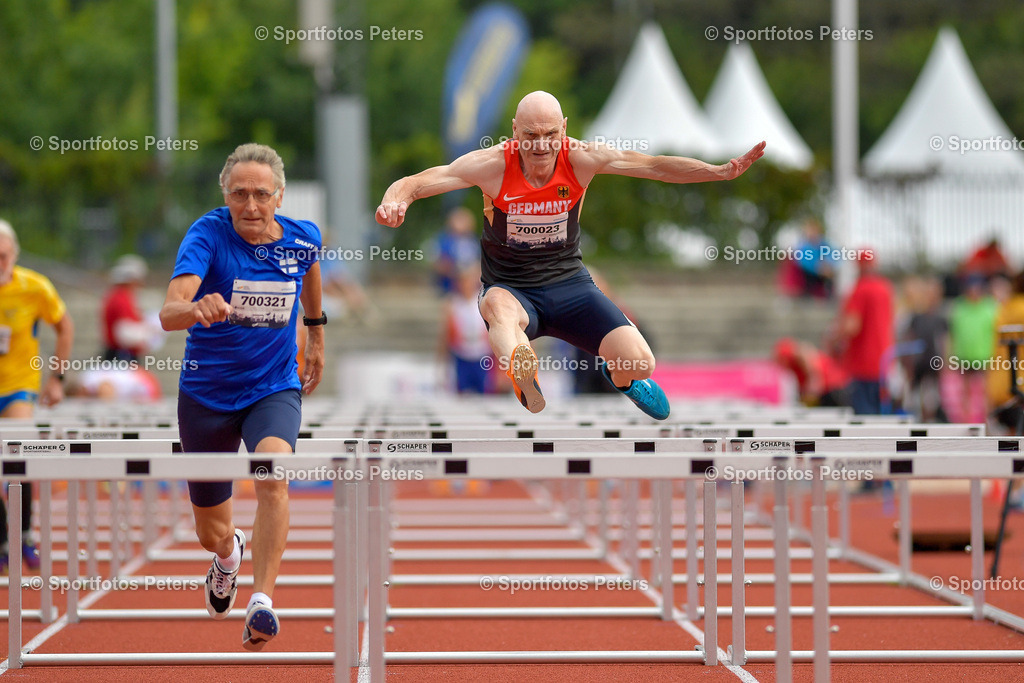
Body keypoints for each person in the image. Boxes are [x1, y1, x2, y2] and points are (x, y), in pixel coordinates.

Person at [376, 91, 765, 419]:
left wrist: (718, 172)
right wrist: (395, 202)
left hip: (570, 286)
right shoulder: (492, 165)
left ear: (563, 128)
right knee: (497, 308)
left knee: (641, 362)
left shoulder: (582, 158)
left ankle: (623, 379)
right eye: (531, 135)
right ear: (514, 130)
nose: (541, 146)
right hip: (512, 288)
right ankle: (523, 370)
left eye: (550, 134)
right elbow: (418, 182)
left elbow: (655, 167)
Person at [160, 143, 325, 651]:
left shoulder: (302, 238)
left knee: (273, 474)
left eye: (260, 194)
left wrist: (317, 332)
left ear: (279, 196)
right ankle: (228, 555)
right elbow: (168, 312)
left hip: (272, 387)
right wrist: (196, 307)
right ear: (225, 195)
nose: (250, 205)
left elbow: (310, 270)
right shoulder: (207, 235)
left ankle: (262, 601)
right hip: (206, 396)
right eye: (239, 195)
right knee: (210, 531)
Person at [0, 219, 74, 574]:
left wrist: (56, 379)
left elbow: (64, 327)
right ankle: (3, 542)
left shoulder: (34, 286)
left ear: (14, 254)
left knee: (18, 456)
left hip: (18, 386)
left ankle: (25, 535)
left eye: (3, 256)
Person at [829, 249, 894, 414]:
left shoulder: (860, 289)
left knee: (864, 419)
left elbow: (852, 326)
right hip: (883, 362)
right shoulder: (886, 288)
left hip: (862, 365)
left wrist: (833, 339)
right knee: (881, 417)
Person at [945, 274, 998, 424]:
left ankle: (988, 421)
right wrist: (950, 354)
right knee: (965, 391)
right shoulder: (959, 307)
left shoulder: (990, 307)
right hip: (964, 355)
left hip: (985, 355)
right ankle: (966, 421)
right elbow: (952, 333)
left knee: (987, 391)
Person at [440, 264, 494, 394]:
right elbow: (446, 334)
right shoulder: (453, 304)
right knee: (461, 393)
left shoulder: (483, 301)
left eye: (469, 281)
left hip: (482, 356)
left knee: (485, 392)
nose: (466, 285)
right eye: (463, 281)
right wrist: (442, 361)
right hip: (461, 355)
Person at [101, 254, 155, 361]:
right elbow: (124, 332)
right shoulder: (121, 298)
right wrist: (149, 332)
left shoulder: (118, 296)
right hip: (121, 355)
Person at [773, 337, 851, 408]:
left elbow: (815, 379)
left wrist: (809, 397)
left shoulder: (801, 356)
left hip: (832, 389)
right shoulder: (792, 364)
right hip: (825, 390)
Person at [432, 206, 481, 295]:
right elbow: (439, 264)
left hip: (473, 289)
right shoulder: (444, 240)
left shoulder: (474, 241)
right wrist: (458, 273)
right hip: (450, 288)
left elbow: (480, 262)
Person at [792, 218, 837, 299]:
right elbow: (802, 262)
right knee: (808, 277)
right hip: (809, 272)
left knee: (830, 274)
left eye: (814, 231)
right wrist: (817, 268)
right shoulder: (803, 246)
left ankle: (829, 294)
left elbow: (832, 254)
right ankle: (808, 293)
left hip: (823, 270)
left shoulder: (823, 243)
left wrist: (827, 264)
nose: (812, 234)